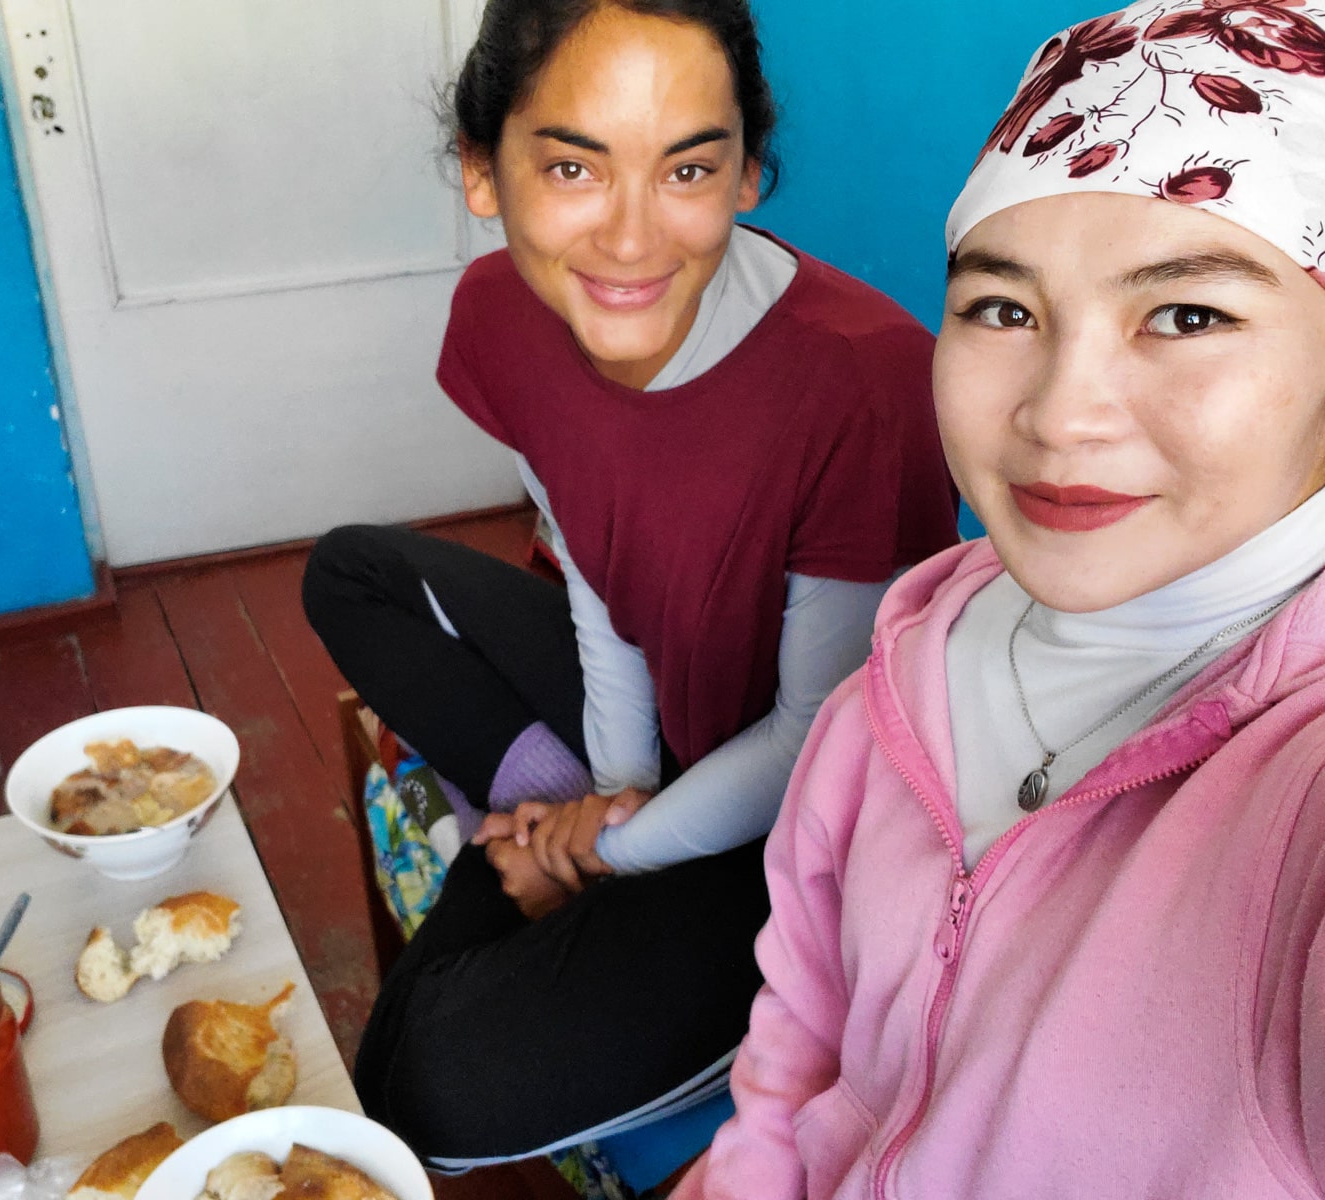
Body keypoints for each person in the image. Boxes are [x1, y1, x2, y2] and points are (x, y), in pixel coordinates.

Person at [673, 3, 1325, 1197]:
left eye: (1187, 314)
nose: (1058, 416)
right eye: (1003, 310)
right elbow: (794, 1039)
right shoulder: (912, 656)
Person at [301, 0, 958, 1168]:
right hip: (650, 719)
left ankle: (529, 859)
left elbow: (820, 735)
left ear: (749, 173)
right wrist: (610, 792)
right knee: (350, 572)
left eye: (687, 167)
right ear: (482, 172)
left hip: (797, 823)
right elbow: (593, 576)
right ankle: (545, 822)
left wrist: (606, 850)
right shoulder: (501, 313)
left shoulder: (863, 380)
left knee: (414, 1093)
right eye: (571, 165)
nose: (630, 238)